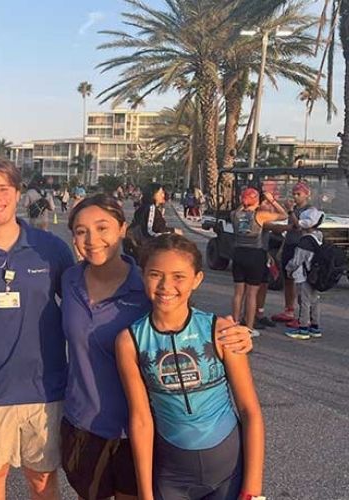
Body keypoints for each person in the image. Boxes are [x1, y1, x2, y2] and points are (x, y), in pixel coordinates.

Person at [60, 195, 254, 500]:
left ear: (122, 229)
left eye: (102, 228)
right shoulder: (69, 279)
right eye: (81, 230)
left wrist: (236, 334)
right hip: (85, 422)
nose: (92, 239)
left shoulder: (147, 284)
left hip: (143, 430)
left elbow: (183, 315)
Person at [0, 156, 74, 500]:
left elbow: (83, 305)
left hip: (44, 388)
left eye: (3, 189)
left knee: (42, 482)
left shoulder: (49, 249)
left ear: (18, 192)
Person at [115, 234, 265, 500]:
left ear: (197, 279)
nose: (166, 285)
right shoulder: (130, 341)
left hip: (230, 473)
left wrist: (253, 490)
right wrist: (145, 493)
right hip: (172, 476)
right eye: (155, 274)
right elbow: (140, 420)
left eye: (179, 277)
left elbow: (249, 410)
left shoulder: (219, 331)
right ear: (142, 276)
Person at [230, 188, 287, 336]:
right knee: (251, 294)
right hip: (255, 254)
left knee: (238, 293)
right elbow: (283, 215)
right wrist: (272, 200)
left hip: (238, 253)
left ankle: (234, 323)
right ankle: (249, 327)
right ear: (257, 200)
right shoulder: (260, 215)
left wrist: (244, 201)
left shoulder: (235, 214)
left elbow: (241, 207)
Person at [270, 182, 313, 327]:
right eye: (294, 194)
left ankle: (303, 314)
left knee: (300, 281)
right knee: (288, 279)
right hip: (289, 245)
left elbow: (299, 226)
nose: (295, 197)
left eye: (298, 194)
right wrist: (282, 248)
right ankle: (289, 310)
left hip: (301, 248)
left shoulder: (310, 211)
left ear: (307, 194)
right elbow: (289, 230)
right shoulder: (293, 209)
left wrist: (289, 211)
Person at [284, 207, 325, 340]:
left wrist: (288, 269)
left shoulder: (305, 241)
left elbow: (297, 261)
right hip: (316, 274)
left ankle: (302, 329)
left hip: (305, 275)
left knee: (304, 301)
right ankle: (315, 327)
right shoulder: (319, 236)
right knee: (314, 301)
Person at [125, 183, 179, 260]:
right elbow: (150, 231)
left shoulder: (144, 207)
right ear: (153, 194)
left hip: (138, 249)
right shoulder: (151, 208)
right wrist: (173, 231)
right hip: (147, 250)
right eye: (160, 193)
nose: (163, 195)